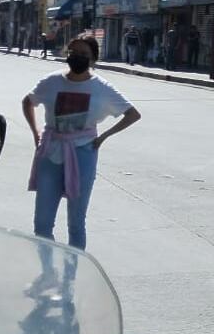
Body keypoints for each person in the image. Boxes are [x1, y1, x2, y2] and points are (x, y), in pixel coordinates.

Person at [23, 33, 141, 251]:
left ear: (93, 59)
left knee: (76, 223)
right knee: (42, 224)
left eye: (83, 54)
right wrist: (35, 132)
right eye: (73, 52)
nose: (77, 57)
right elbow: (28, 102)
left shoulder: (101, 88)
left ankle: (71, 277)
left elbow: (133, 114)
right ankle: (48, 272)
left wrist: (103, 137)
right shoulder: (52, 82)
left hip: (83, 154)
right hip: (51, 152)